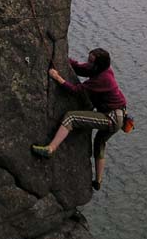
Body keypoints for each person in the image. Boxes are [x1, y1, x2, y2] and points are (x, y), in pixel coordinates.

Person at [32, 48, 127, 191]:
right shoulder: (101, 71)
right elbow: (80, 68)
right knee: (99, 143)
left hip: (111, 118)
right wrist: (61, 57)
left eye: (91, 61)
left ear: (97, 65)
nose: (88, 63)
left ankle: (50, 149)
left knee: (71, 117)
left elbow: (76, 90)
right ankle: (98, 181)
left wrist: (57, 77)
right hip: (119, 115)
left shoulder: (103, 79)